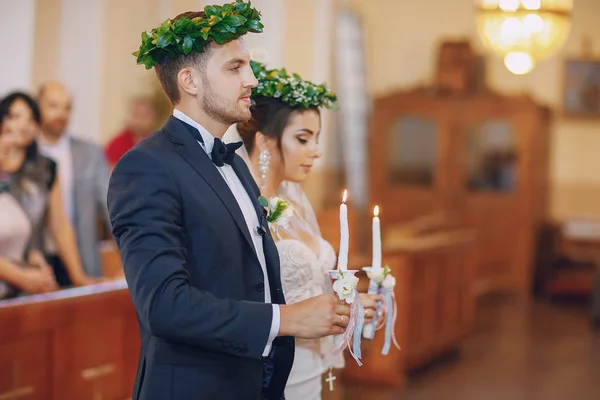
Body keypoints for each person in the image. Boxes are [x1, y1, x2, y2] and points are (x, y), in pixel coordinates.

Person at [108, 3, 351, 400]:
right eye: (235, 68)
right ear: (190, 80)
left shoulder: (236, 167)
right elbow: (164, 305)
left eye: (248, 67)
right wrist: (285, 319)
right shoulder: (146, 167)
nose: (252, 80)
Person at [233, 61, 379, 399]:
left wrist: (352, 303)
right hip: (269, 364)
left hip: (311, 364)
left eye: (316, 138)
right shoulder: (241, 204)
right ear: (266, 141)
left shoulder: (295, 201)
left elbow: (316, 282)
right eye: (303, 138)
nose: (316, 150)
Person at [1, 92, 100, 287]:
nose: (23, 125)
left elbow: (60, 225)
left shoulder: (46, 169)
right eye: (14, 116)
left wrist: (78, 276)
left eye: (31, 119)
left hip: (34, 271)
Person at [36, 82, 112, 282]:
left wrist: (132, 256)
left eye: (67, 108)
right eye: (53, 106)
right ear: (38, 107)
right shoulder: (26, 153)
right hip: (37, 257)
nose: (61, 114)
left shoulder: (90, 153)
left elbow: (110, 206)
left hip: (82, 256)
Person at [0, 94, 58, 298]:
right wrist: (24, 278)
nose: (12, 140)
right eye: (6, 132)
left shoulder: (6, 190)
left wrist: (34, 260)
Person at [105, 96, 157, 167]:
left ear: (151, 118)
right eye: (136, 115)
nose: (140, 121)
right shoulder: (117, 145)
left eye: (144, 115)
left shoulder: (157, 143)